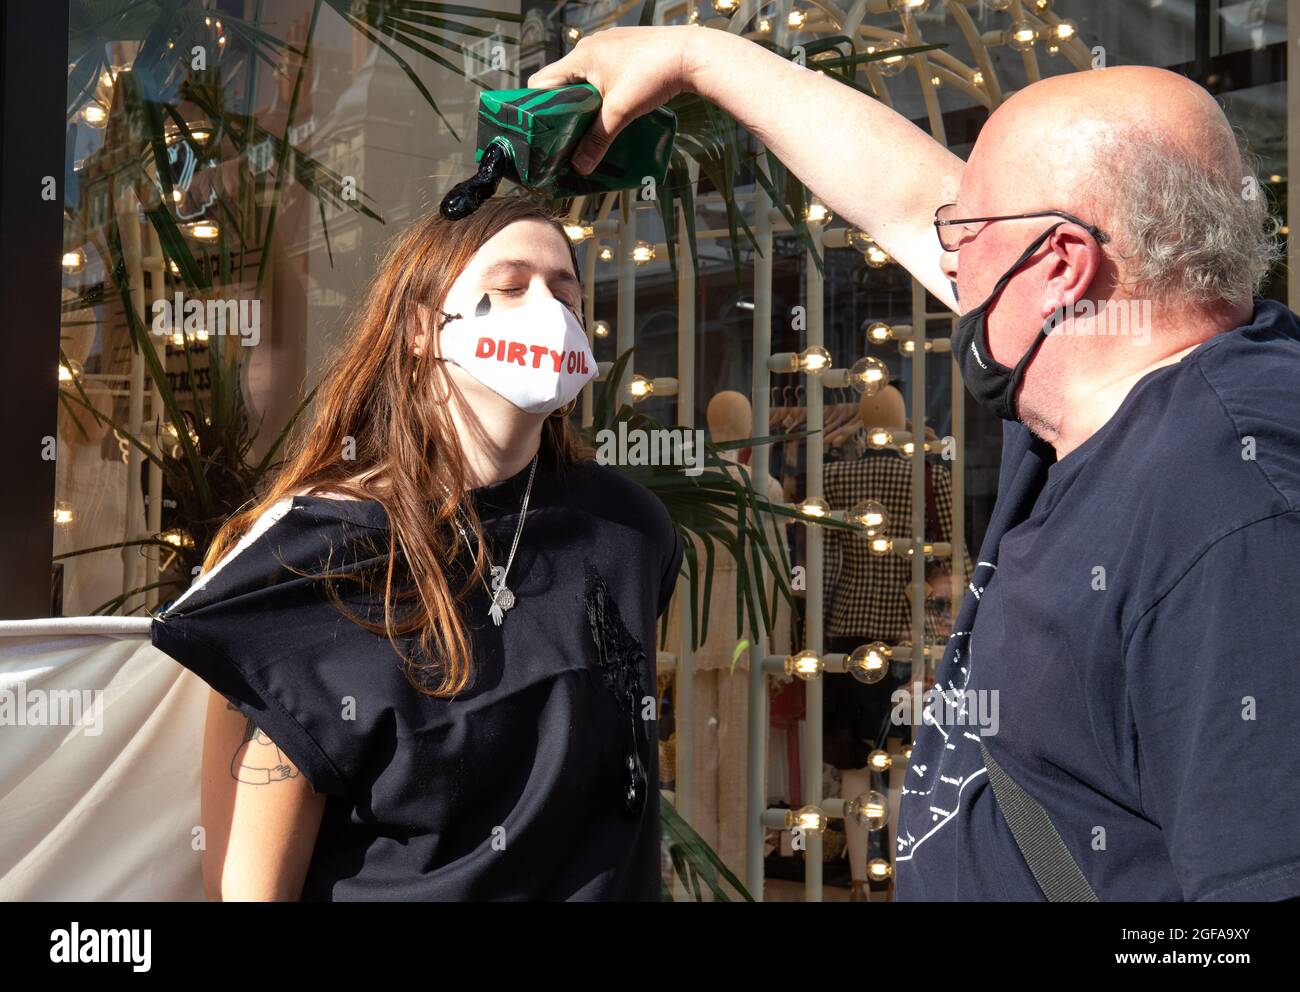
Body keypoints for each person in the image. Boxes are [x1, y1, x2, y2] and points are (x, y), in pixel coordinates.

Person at [530, 27, 1300, 900]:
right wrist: (695, 59)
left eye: (965, 228)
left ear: (1059, 266)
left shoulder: (1241, 512)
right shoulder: (1101, 386)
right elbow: (898, 192)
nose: (945, 252)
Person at [150, 195, 684, 901]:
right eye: (510, 285)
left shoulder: (629, 533)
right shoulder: (310, 557)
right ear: (419, 328)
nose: (547, 310)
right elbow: (250, 886)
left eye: (565, 290)